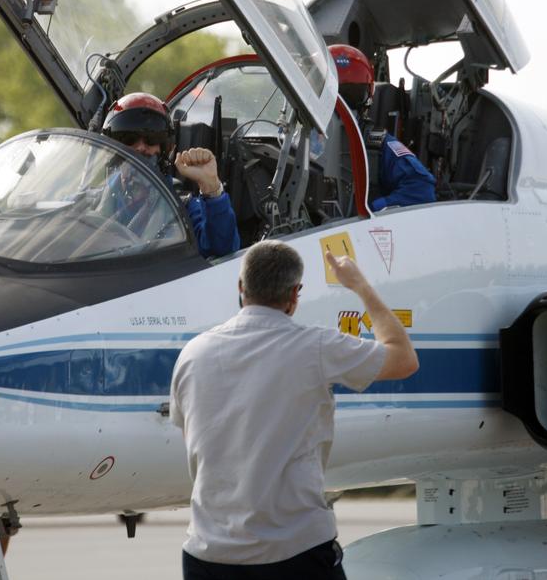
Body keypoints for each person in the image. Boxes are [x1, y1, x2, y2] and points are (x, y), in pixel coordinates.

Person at [170, 241, 419, 579]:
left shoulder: (192, 354)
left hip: (208, 557)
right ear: (294, 295)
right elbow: (404, 358)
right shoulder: (316, 347)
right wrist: (359, 285)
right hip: (295, 554)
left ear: (241, 288)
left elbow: (192, 438)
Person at [102, 92, 239, 259]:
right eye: (128, 138)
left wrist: (211, 186)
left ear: (166, 148)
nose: (140, 148)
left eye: (151, 138)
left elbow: (223, 249)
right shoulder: (92, 201)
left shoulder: (182, 208)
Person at [329, 44, 435, 210]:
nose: (341, 104)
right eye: (335, 93)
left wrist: (372, 209)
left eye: (351, 95)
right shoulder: (296, 138)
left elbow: (421, 188)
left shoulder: (376, 142)